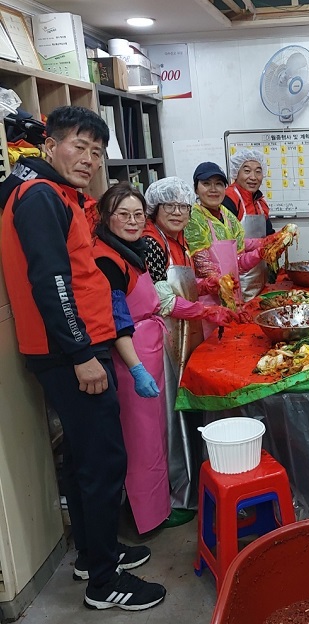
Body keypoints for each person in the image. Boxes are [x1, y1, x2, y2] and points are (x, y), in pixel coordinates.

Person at [0, 106, 166, 610]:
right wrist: (80, 354)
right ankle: (103, 582)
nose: (89, 160)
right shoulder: (39, 197)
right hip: (71, 351)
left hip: (73, 347)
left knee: (81, 457)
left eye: (97, 152)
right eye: (79, 146)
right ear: (50, 144)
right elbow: (50, 282)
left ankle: (95, 554)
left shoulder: (53, 193)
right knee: (103, 461)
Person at [93, 181, 189, 533]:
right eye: (124, 215)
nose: (132, 222)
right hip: (131, 358)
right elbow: (118, 321)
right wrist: (136, 369)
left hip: (149, 349)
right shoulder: (106, 259)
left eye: (137, 214)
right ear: (106, 216)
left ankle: (159, 507)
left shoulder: (131, 251)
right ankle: (144, 519)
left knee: (156, 436)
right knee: (142, 442)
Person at [142, 177, 238, 514]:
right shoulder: (151, 242)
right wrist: (206, 309)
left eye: (183, 206)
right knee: (168, 415)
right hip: (161, 337)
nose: (178, 212)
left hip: (181, 333)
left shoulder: (177, 240)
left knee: (182, 408)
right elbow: (162, 299)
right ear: (154, 209)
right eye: (170, 206)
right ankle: (174, 494)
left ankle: (191, 481)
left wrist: (205, 284)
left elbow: (180, 282)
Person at [185, 161, 277, 314]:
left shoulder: (229, 217)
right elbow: (203, 266)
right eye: (206, 184)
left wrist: (260, 252)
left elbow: (238, 262)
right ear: (196, 189)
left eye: (219, 184)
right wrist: (219, 282)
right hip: (209, 303)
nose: (213, 189)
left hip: (233, 293)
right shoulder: (193, 218)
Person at [222, 149, 274, 299]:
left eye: (258, 171)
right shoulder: (229, 199)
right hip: (237, 280)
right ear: (236, 173)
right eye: (247, 171)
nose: (253, 177)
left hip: (260, 276)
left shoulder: (260, 202)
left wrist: (283, 238)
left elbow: (269, 234)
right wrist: (263, 244)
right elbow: (227, 243)